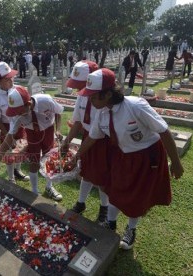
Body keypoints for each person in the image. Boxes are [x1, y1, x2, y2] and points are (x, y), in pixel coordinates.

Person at [76, 68, 184, 250]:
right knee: (115, 190)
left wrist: (176, 162)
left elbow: (163, 131)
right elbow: (92, 138)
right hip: (123, 155)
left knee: (137, 197)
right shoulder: (102, 114)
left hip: (146, 156)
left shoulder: (135, 106)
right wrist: (76, 156)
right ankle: (110, 223)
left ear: (108, 94)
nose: (90, 100)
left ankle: (131, 229)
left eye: (94, 97)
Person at [0, 85, 65, 201]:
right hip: (32, 133)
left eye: (19, 111)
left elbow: (58, 112)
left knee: (49, 160)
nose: (17, 114)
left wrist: (58, 129)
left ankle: (49, 187)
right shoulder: (16, 116)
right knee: (34, 160)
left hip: (48, 130)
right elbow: (8, 138)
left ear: (28, 105)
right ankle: (34, 190)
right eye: (14, 112)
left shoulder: (45, 100)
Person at [61, 61, 111, 226]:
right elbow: (78, 122)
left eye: (80, 84)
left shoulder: (103, 98)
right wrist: (66, 142)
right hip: (87, 137)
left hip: (103, 140)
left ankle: (104, 209)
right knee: (86, 171)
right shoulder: (82, 97)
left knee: (102, 178)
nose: (77, 88)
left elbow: (102, 130)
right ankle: (81, 203)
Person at [0, 61, 29, 184]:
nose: (11, 80)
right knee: (9, 153)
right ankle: (11, 177)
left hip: (20, 125)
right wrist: (7, 134)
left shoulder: (18, 90)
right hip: (6, 128)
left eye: (11, 77)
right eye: (7, 79)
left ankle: (18, 170)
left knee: (20, 149)